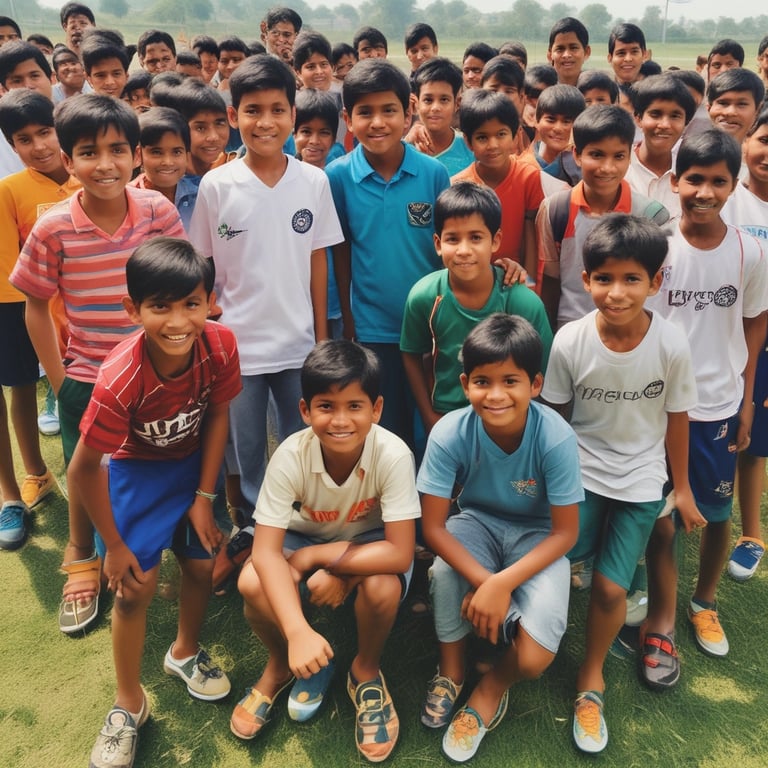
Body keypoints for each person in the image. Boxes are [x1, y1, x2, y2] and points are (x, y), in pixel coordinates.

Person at [9, 94, 186, 633]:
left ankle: (176, 545)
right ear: (68, 160)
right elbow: (35, 307)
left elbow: (181, 289)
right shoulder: (54, 227)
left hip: (157, 370)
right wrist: (61, 381)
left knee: (163, 456)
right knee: (85, 470)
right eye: (88, 152)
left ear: (135, 154)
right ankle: (80, 561)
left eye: (116, 150)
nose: (104, 164)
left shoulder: (158, 211)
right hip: (88, 375)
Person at [69, 238, 239, 768]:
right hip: (134, 472)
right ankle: (128, 703)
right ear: (132, 309)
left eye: (190, 303)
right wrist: (112, 548)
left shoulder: (221, 344)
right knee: (131, 592)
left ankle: (183, 651)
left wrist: (205, 498)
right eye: (158, 306)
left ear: (210, 302)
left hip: (192, 469)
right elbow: (82, 468)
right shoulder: (120, 378)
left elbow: (216, 417)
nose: (177, 320)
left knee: (202, 562)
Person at [541, 213, 699, 752]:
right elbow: (556, 416)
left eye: (633, 279)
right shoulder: (569, 340)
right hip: (580, 470)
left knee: (610, 586)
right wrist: (548, 481)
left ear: (656, 282)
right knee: (557, 563)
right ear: (585, 280)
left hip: (640, 477)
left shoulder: (672, 344)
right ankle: (527, 641)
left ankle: (591, 677)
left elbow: (677, 417)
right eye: (604, 278)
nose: (617, 291)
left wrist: (681, 488)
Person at [232, 339, 419, 762]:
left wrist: (322, 560)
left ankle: (365, 671)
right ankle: (282, 663)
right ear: (304, 411)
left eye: (355, 406)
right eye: (326, 406)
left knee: (383, 589)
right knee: (251, 582)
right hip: (301, 537)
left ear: (377, 409)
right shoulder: (289, 456)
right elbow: (263, 554)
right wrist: (297, 631)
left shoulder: (393, 454)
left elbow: (401, 554)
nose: (340, 420)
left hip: (368, 543)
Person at [417, 313, 582, 762]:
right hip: (476, 524)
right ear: (465, 382)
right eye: (482, 381)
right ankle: (452, 669)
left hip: (539, 537)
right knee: (445, 572)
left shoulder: (555, 438)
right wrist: (485, 580)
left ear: (535, 383)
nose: (495, 395)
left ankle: (492, 684)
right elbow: (432, 527)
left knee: (532, 659)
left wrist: (500, 583)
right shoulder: (450, 431)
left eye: (511, 381)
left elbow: (567, 532)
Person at [189, 55, 342, 512]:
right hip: (238, 349)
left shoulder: (313, 182)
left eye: (278, 109)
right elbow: (202, 265)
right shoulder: (216, 186)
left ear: (293, 115)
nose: (266, 122)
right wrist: (211, 324)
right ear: (234, 117)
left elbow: (319, 263)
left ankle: (297, 517)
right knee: (245, 445)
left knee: (300, 444)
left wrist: (320, 337)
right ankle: (252, 521)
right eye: (253, 110)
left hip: (299, 345)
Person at [643, 129, 768, 682]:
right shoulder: (657, 247)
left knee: (717, 514)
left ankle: (705, 601)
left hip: (717, 408)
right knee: (662, 518)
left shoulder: (751, 250)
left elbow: (754, 323)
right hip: (655, 407)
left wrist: (745, 401)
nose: (704, 190)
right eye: (693, 179)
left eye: (718, 180)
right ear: (675, 183)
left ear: (732, 184)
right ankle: (662, 618)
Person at [326, 58, 450, 448]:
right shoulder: (338, 176)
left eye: (388, 110)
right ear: (348, 118)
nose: (377, 122)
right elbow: (341, 252)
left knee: (435, 419)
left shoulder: (433, 174)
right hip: (372, 327)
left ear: (408, 110)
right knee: (388, 424)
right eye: (365, 112)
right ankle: (394, 504)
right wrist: (348, 318)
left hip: (431, 324)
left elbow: (448, 245)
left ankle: (437, 500)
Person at [400, 182, 552, 430]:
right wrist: (428, 416)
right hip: (447, 417)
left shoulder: (522, 302)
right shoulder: (424, 297)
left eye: (475, 238)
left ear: (495, 241)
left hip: (510, 419)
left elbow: (543, 370)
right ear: (438, 244)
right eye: (452, 239)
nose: (463, 250)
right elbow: (411, 353)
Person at [0, 90, 79, 548]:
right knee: (21, 389)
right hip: (26, 315)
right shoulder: (11, 191)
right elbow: (16, 282)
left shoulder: (91, 172)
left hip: (89, 322)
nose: (40, 146)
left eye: (46, 132)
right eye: (24, 139)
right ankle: (24, 483)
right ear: (13, 146)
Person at [537, 104, 669, 331]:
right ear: (577, 155)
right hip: (571, 332)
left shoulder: (651, 215)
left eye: (618, 156)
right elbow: (551, 284)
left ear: (629, 157)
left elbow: (655, 287)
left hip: (631, 335)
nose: (607, 168)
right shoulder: (555, 210)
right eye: (596, 155)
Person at [721, 106, 768, 581]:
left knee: (754, 439)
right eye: (765, 140)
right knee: (720, 424)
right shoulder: (729, 196)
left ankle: (751, 531)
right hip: (724, 325)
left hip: (763, 335)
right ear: (747, 142)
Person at [453, 88, 544, 277]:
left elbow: (532, 239)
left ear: (516, 135)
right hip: (473, 278)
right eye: (482, 137)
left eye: (501, 134)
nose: (493, 145)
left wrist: (529, 285)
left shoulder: (529, 177)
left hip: (516, 281)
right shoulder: (459, 185)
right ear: (468, 142)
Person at [293, 88, 345, 339]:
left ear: (334, 138)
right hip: (295, 299)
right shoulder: (284, 182)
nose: (314, 140)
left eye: (323, 132)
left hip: (335, 298)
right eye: (305, 132)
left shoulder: (338, 179)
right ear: (293, 134)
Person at [625, 74, 697, 224]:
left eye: (675, 116)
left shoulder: (693, 173)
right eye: (655, 114)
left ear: (686, 124)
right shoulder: (619, 168)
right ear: (638, 118)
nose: (664, 124)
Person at [130, 107, 196, 229]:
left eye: (176, 152)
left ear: (187, 155)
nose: (168, 162)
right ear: (138, 155)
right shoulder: (125, 200)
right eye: (156, 152)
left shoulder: (200, 194)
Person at [411, 57, 474, 176]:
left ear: (457, 104)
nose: (435, 107)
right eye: (428, 100)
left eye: (444, 100)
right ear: (417, 103)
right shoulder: (405, 149)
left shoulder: (470, 150)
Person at [526, 83, 585, 187]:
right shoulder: (523, 166)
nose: (558, 128)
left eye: (567, 121)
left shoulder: (586, 168)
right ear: (536, 121)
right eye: (551, 120)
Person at [707, 67, 764, 146]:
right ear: (709, 107)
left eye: (742, 104)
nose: (730, 112)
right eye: (723, 103)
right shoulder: (691, 154)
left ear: (758, 110)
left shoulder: (761, 156)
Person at [80, 28, 129, 99]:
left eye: (116, 74)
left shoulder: (136, 107)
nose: (110, 82)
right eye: (100, 75)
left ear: (126, 76)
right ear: (88, 79)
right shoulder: (78, 109)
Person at [547, 17, 591, 87]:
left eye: (573, 48)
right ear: (550, 54)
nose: (566, 55)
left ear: (586, 52)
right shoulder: (540, 90)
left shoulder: (595, 93)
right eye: (560, 49)